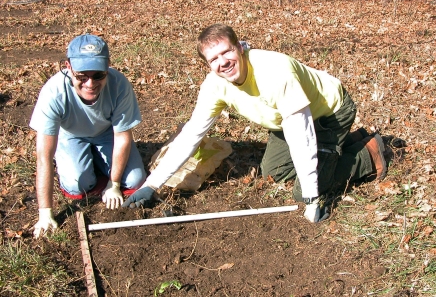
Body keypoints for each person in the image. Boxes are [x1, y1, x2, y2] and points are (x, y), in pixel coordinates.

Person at [123, 24, 387, 222]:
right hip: (286, 121)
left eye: (227, 51)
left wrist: (310, 197)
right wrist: (151, 184)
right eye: (213, 59)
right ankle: (342, 147)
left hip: (328, 113)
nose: (222, 62)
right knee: (274, 171)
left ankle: (369, 153)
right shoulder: (215, 86)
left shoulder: (274, 73)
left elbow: (302, 134)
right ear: (207, 64)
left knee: (303, 191)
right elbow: (191, 134)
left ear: (240, 47)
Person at [30, 34, 146, 237]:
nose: (90, 83)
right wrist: (45, 214)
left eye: (98, 75)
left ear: (108, 67)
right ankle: (84, 164)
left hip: (106, 133)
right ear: (68, 67)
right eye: (82, 76)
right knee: (77, 184)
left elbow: (122, 136)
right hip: (71, 135)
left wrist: (114, 184)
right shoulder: (53, 93)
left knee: (135, 179)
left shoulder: (119, 85)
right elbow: (44, 157)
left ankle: (103, 170)